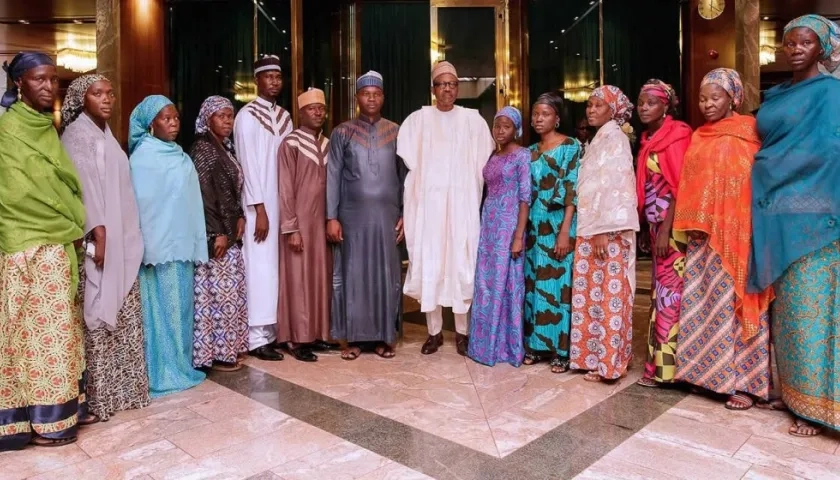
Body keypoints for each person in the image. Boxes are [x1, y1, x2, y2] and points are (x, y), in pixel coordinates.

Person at [749, 15, 840, 436]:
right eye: (789, 43)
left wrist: (776, 167)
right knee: (785, 314)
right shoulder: (777, 95)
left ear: (822, 48)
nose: (796, 48)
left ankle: (817, 407)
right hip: (777, 213)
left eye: (806, 42)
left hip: (817, 218)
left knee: (813, 312)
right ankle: (792, 393)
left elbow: (828, 150)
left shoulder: (832, 93)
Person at [0, 52, 93, 450]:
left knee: (59, 336)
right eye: (39, 79)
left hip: (57, 248)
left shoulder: (46, 128)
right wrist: (63, 224)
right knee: (28, 337)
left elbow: (63, 186)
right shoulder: (7, 132)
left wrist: (71, 225)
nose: (48, 87)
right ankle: (31, 421)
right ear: (20, 83)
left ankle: (59, 416)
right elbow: (17, 194)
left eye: (53, 80)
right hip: (24, 249)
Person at [673, 69, 773, 411]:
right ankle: (708, 375)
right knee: (706, 304)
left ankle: (746, 384)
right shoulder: (700, 136)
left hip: (739, 234)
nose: (707, 104)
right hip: (705, 237)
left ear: (733, 98)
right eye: (703, 98)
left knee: (739, 302)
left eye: (715, 97)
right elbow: (690, 183)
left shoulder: (749, 132)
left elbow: (756, 180)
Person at [60, 74, 150, 420]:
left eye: (111, 93)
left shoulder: (106, 135)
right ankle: (101, 399)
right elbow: (83, 189)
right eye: (98, 94)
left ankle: (125, 392)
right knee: (99, 313)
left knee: (123, 316)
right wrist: (98, 235)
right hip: (101, 243)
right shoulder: (76, 136)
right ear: (82, 99)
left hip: (122, 241)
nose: (107, 99)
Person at [397, 61, 495, 356]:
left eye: (453, 84)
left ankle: (462, 334)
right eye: (442, 84)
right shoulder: (417, 121)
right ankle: (434, 332)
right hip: (428, 208)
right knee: (432, 262)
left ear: (458, 88)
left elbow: (483, 163)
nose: (448, 89)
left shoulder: (473, 121)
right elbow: (409, 162)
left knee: (461, 263)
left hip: (461, 206)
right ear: (433, 89)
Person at [129, 95, 208, 398]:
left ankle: (182, 366)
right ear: (151, 124)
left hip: (182, 247)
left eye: (176, 117)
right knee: (160, 311)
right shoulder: (142, 158)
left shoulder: (180, 155)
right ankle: (163, 372)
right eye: (166, 118)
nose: (174, 123)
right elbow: (142, 208)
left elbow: (190, 204)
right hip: (156, 252)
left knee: (182, 310)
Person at [327, 72, 405, 360]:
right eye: (365, 93)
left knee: (386, 275)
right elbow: (332, 175)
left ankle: (385, 337)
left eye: (376, 93)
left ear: (383, 97)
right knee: (353, 275)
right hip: (351, 218)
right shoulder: (342, 132)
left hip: (387, 217)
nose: (371, 98)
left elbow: (405, 177)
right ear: (357, 97)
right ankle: (354, 340)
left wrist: (406, 214)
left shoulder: (397, 132)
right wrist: (331, 217)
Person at [569, 85, 639, 383]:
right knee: (593, 299)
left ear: (613, 110)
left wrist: (603, 231)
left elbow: (616, 188)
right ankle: (594, 358)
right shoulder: (601, 138)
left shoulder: (616, 139)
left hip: (605, 233)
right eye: (589, 105)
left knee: (610, 298)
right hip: (591, 230)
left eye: (598, 105)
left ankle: (610, 364)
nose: (591, 110)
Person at [633, 79, 692, 388]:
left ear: (666, 106)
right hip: (656, 227)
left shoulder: (678, 135)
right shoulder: (648, 139)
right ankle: (657, 367)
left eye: (651, 102)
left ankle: (669, 372)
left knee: (670, 296)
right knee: (660, 296)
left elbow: (680, 187)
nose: (644, 107)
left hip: (674, 229)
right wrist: (647, 226)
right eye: (641, 102)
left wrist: (665, 230)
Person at [233, 54, 292, 361]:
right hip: (260, 207)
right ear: (256, 80)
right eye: (267, 77)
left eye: (278, 77)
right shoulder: (246, 116)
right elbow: (248, 166)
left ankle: (274, 332)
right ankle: (257, 337)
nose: (273, 82)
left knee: (277, 268)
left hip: (281, 203)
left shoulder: (284, 116)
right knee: (259, 267)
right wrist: (260, 208)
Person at [523, 93, 582, 373]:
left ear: (557, 118)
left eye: (545, 114)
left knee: (559, 288)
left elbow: (572, 190)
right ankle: (535, 346)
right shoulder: (529, 151)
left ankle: (561, 351)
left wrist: (565, 233)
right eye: (535, 114)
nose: (538, 119)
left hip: (559, 223)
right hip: (534, 226)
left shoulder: (571, 146)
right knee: (533, 285)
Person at [468, 106, 530, 367]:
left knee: (507, 285)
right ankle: (484, 346)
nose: (501, 130)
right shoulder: (493, 155)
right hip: (489, 225)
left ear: (516, 129)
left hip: (509, 225)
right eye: (497, 126)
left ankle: (506, 347)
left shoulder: (522, 156)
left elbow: (525, 198)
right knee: (486, 284)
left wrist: (518, 236)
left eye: (506, 126)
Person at [190, 96, 249, 371]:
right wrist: (216, 234)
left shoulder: (224, 147)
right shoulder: (203, 149)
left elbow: (231, 190)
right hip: (216, 237)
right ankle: (217, 354)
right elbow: (204, 195)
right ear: (207, 119)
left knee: (229, 295)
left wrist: (239, 216)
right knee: (218, 296)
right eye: (221, 116)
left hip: (229, 228)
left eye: (230, 115)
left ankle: (229, 349)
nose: (227, 120)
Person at [277, 88, 331, 362]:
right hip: (298, 223)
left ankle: (317, 334)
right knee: (298, 279)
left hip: (321, 223)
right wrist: (291, 227)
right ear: (301, 112)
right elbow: (285, 189)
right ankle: (297, 339)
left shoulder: (327, 143)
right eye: (312, 108)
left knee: (318, 277)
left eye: (321, 108)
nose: (318, 112)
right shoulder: (291, 143)